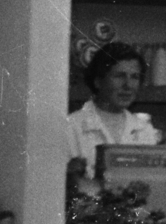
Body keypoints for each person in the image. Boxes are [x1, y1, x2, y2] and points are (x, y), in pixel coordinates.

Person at [68, 42, 159, 177]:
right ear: (98, 81)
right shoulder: (71, 127)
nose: (128, 85)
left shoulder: (145, 130)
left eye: (134, 77)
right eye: (119, 76)